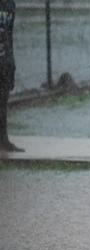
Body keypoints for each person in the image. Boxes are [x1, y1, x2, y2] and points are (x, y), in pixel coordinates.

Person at [0, 0, 22, 152]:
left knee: (3, 102)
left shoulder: (9, 6)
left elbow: (10, 35)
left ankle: (4, 140)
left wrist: (11, 63)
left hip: (4, 61)